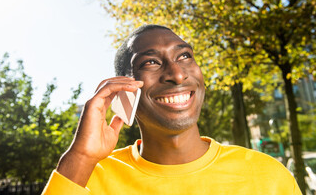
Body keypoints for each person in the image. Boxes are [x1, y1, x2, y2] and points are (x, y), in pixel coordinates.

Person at [42, 25, 301, 195]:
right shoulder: (85, 181)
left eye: (185, 56)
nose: (177, 74)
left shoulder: (268, 176)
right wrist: (82, 156)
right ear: (124, 89)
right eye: (151, 62)